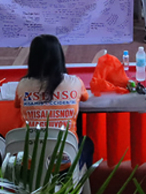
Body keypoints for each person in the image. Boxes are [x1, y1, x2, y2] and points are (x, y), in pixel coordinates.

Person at [13, 34, 93, 167]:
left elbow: (16, 105)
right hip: (65, 162)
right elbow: (85, 97)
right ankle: (76, 182)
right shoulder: (75, 83)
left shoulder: (23, 85)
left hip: (31, 164)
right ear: (59, 57)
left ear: (32, 59)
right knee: (86, 142)